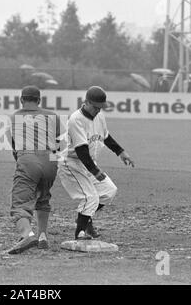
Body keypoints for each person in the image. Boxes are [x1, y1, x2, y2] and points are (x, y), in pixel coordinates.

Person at [58, 86, 135, 240]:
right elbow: (81, 151)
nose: (98, 110)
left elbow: (105, 137)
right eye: (95, 107)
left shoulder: (99, 116)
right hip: (72, 163)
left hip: (88, 163)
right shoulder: (76, 119)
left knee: (108, 191)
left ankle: (85, 218)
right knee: (90, 197)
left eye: (101, 107)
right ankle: (80, 233)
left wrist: (121, 152)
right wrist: (96, 172)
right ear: (86, 102)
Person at [6, 86, 61, 254]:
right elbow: (58, 142)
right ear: (39, 101)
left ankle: (27, 234)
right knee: (43, 199)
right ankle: (42, 236)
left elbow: (13, 144)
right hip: (50, 161)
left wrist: (22, 160)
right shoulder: (53, 116)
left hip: (28, 160)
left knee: (20, 205)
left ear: (21, 100)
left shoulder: (16, 116)